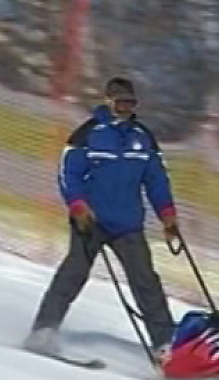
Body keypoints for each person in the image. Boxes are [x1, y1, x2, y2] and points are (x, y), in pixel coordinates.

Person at [24, 77, 178, 362]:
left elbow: (157, 181)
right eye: (121, 103)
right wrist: (78, 206)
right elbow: (68, 173)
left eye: (131, 104)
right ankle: (44, 330)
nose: (126, 109)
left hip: (128, 224)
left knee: (146, 281)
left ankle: (164, 345)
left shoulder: (142, 137)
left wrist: (168, 217)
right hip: (91, 221)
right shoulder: (88, 134)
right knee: (74, 272)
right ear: (108, 101)